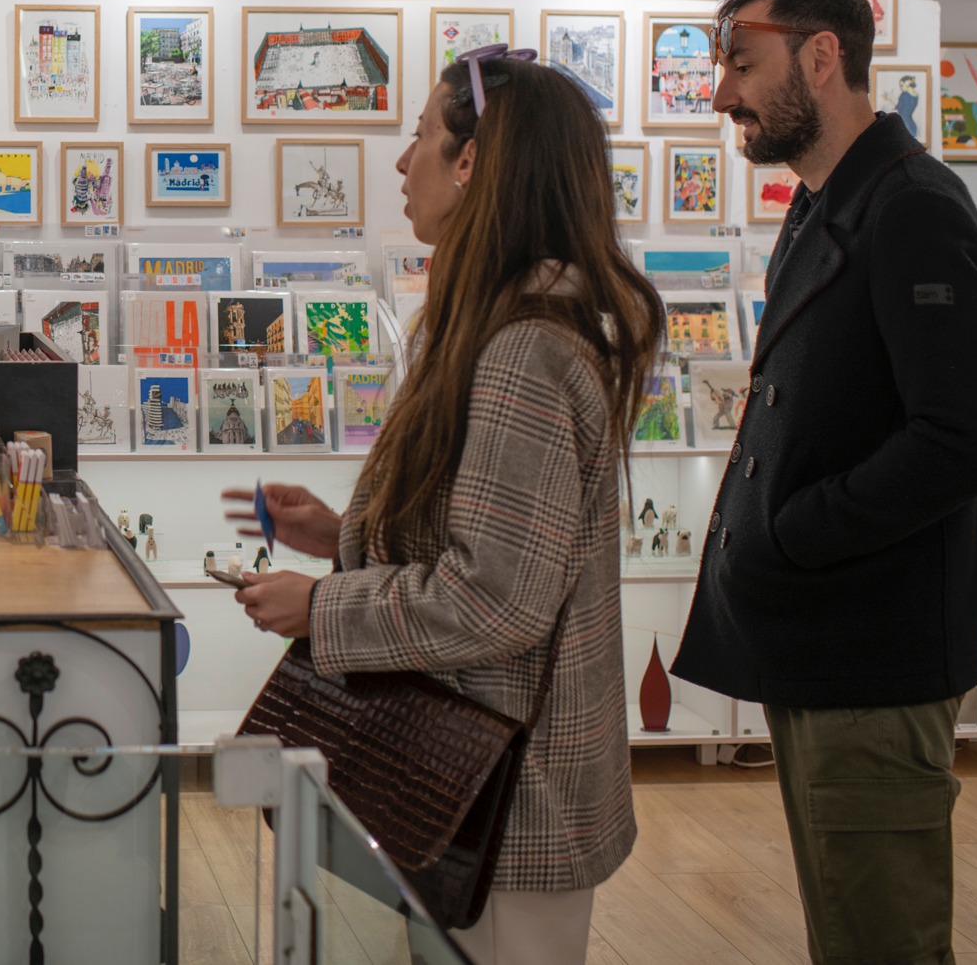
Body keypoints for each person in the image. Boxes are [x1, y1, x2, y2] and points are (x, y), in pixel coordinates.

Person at [228, 48, 663, 964]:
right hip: (473, 775)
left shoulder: (521, 352)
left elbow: (495, 597)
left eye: (422, 135)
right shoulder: (502, 325)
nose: (401, 161)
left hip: (505, 794)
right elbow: (494, 542)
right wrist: (343, 533)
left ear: (472, 163)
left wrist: (321, 607)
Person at [672, 0, 977, 965]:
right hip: (826, 644)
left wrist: (792, 529)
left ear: (820, 59)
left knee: (880, 943)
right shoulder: (827, 203)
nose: (720, 92)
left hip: (876, 652)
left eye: (740, 64)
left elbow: (957, 439)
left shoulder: (908, 207)